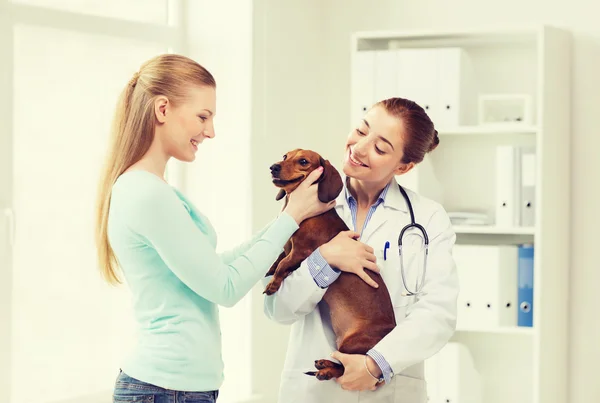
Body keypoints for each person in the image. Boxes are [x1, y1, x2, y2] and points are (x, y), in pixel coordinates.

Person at [94, 54, 335, 403]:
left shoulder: (153, 190)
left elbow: (214, 267)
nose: (210, 131)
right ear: (163, 109)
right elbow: (225, 287)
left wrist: (290, 220)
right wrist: (290, 218)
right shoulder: (146, 194)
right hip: (166, 389)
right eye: (203, 117)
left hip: (175, 388)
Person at [263, 97, 459, 403]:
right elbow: (277, 309)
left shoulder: (428, 218)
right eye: (361, 130)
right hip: (313, 392)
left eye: (380, 148)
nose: (359, 148)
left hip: (388, 391)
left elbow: (438, 314)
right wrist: (324, 260)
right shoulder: (302, 204)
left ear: (404, 166)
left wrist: (375, 364)